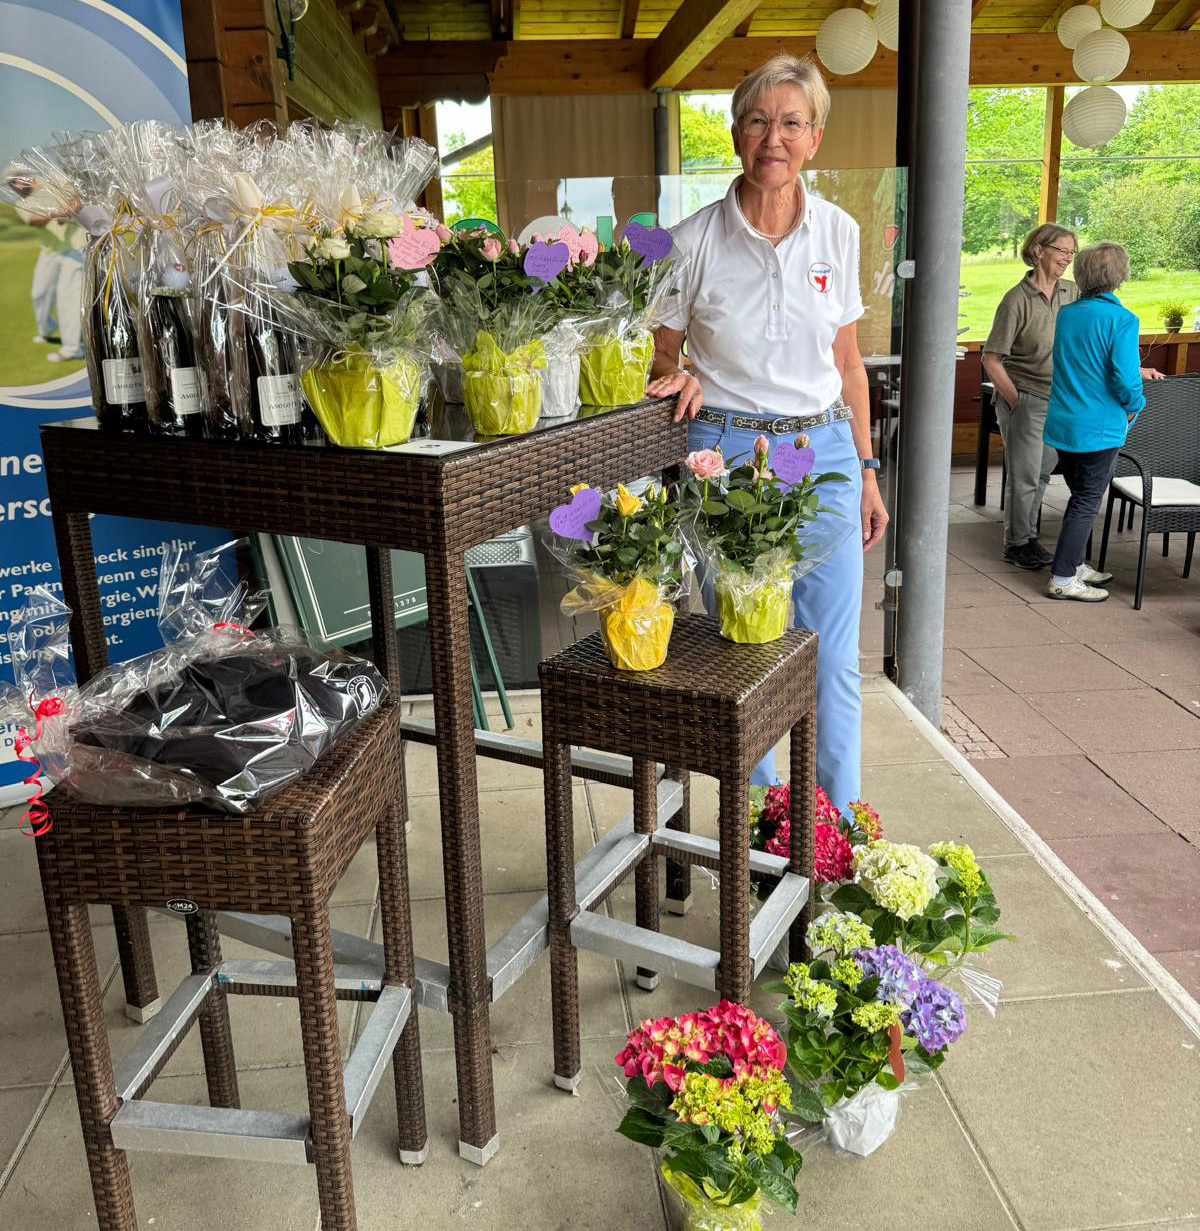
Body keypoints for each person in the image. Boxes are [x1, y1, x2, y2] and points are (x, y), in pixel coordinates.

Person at [645, 53, 885, 815]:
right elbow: (659, 357)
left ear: (814, 137)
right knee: (741, 651)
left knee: (831, 657)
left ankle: (833, 831)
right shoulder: (689, 242)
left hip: (824, 454)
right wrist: (674, 374)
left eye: (790, 122)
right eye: (757, 120)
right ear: (735, 131)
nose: (772, 138)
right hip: (728, 458)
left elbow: (847, 363)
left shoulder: (839, 233)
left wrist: (871, 471)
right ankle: (755, 823)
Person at [1042, 242, 1146, 602]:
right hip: (1098, 428)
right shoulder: (1122, 320)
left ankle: (1073, 563)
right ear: (1120, 276)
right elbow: (1124, 378)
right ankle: (1063, 577)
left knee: (1078, 497)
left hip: (1063, 423)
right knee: (1086, 502)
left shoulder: (1068, 314)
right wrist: (1137, 403)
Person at [981, 223, 1079, 571]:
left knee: (1040, 474)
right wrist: (1015, 399)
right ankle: (1016, 543)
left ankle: (1029, 536)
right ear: (1038, 250)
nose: (1068, 258)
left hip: (1059, 400)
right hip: (1026, 398)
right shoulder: (1016, 300)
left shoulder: (1072, 292)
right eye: (1062, 250)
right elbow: (991, 357)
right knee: (1023, 477)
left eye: (1072, 252)